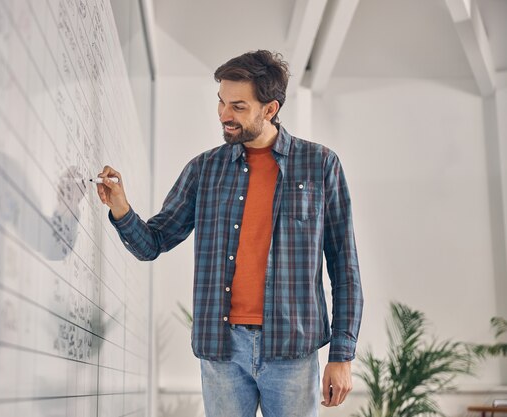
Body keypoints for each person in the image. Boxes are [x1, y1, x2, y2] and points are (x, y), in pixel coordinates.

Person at [95, 50, 363, 417]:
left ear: (270, 109)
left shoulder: (320, 165)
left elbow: (344, 267)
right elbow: (153, 243)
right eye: (221, 102)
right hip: (222, 350)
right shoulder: (205, 170)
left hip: (292, 351)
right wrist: (121, 208)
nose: (224, 115)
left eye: (238, 106)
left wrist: (342, 356)